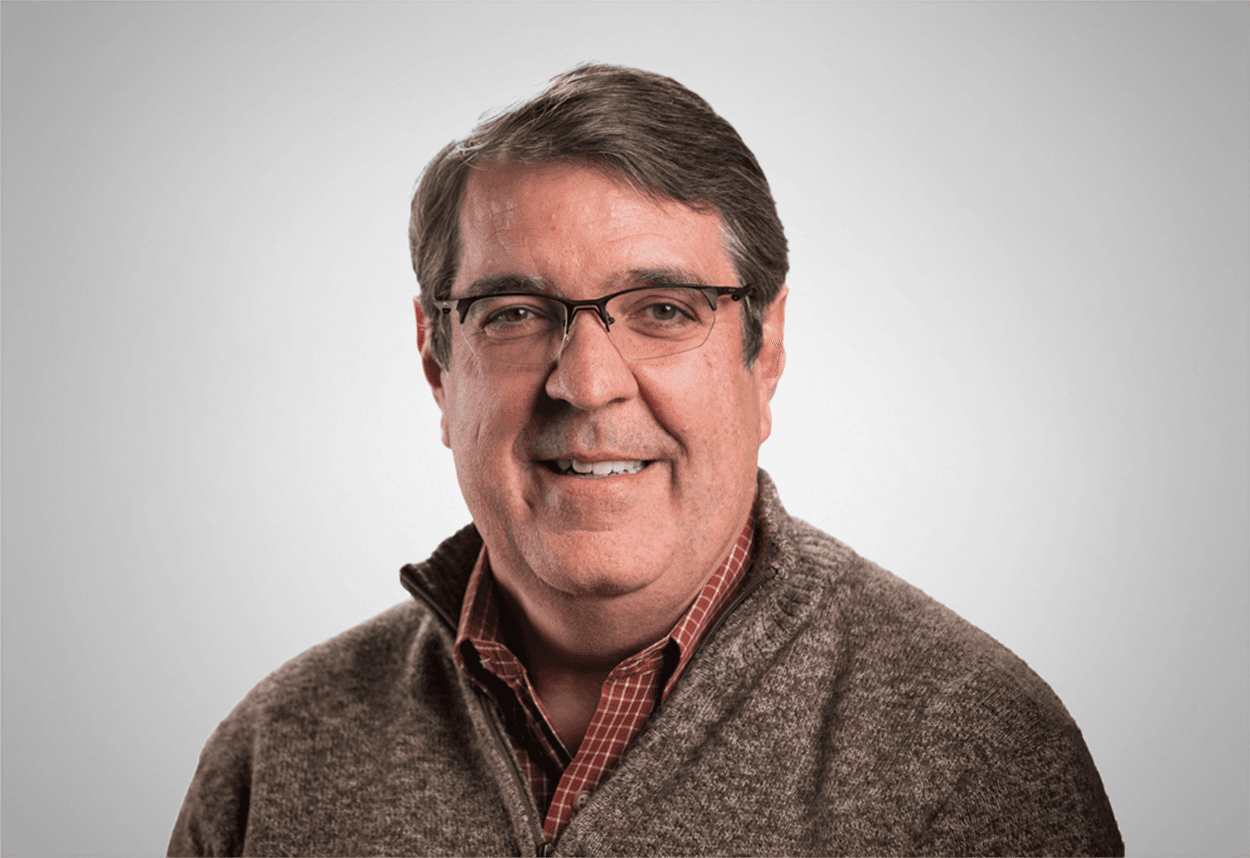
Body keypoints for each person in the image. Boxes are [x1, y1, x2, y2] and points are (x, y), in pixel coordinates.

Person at [168, 64, 1123, 857]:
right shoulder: (277, 756)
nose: (586, 384)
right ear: (436, 365)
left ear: (765, 352)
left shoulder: (973, 753)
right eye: (515, 314)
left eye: (663, 310)